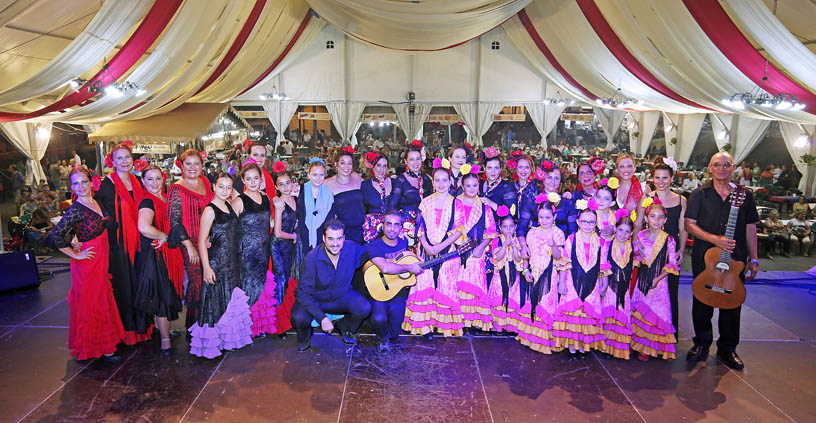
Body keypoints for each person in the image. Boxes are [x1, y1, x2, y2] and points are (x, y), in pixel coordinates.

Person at [685, 152, 759, 370]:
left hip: (735, 258)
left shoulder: (745, 196)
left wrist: (753, 258)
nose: (722, 168)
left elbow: (750, 227)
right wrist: (714, 239)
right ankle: (701, 344)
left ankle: (728, 349)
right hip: (704, 257)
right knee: (702, 301)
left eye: (726, 164)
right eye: (717, 164)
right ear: (710, 167)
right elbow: (689, 224)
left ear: (733, 167)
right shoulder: (699, 195)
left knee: (732, 303)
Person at [46, 167, 125, 361]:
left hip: (102, 257)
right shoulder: (75, 209)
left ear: (91, 183)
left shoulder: (96, 202)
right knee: (92, 302)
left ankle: (103, 345)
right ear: (71, 187)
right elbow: (53, 237)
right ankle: (99, 348)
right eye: (75, 183)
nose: (80, 187)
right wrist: (75, 254)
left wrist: (74, 238)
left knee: (101, 299)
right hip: (88, 262)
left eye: (83, 182)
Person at [95, 142, 153, 345]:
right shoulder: (106, 185)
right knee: (125, 287)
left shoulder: (138, 181)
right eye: (119, 158)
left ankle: (144, 327)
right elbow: (95, 211)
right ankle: (128, 331)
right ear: (112, 161)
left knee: (141, 284)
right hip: (119, 247)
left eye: (127, 157)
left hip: (141, 243)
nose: (124, 161)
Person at [189, 173, 253, 358]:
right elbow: (201, 241)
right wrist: (207, 268)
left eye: (228, 187)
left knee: (228, 301)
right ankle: (212, 344)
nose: (225, 191)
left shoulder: (228, 205)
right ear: (214, 187)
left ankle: (227, 340)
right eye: (221, 187)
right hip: (216, 262)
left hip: (231, 262)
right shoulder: (210, 210)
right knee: (214, 303)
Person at [291, 219, 372, 352]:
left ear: (344, 238)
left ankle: (344, 327)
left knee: (364, 307)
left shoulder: (351, 248)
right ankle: (305, 336)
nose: (335, 244)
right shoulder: (312, 258)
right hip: (316, 299)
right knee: (298, 317)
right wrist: (322, 318)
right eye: (331, 239)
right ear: (324, 238)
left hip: (340, 296)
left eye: (339, 239)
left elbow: (369, 253)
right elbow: (302, 293)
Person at [402, 166, 463, 337]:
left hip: (448, 250)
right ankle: (424, 326)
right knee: (425, 282)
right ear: (433, 183)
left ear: (450, 182)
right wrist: (427, 246)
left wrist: (441, 247)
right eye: (437, 180)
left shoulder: (456, 202)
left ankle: (444, 325)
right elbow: (419, 227)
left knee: (445, 283)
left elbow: (459, 230)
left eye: (445, 180)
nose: (441, 184)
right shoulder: (426, 201)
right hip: (426, 249)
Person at [635, 156, 687, 337]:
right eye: (657, 178)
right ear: (652, 179)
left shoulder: (681, 200)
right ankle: (643, 335)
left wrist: (681, 249)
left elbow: (682, 228)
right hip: (649, 251)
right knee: (646, 292)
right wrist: (637, 246)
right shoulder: (646, 198)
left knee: (670, 292)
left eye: (665, 177)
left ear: (672, 178)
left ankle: (666, 336)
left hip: (670, 252)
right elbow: (638, 224)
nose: (661, 181)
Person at [133, 165, 183, 354]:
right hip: (155, 254)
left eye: (158, 178)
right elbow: (143, 227)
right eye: (150, 179)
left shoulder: (164, 197)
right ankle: (165, 340)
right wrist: (163, 236)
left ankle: (165, 331)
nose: (154, 183)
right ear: (143, 182)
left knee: (164, 293)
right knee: (161, 296)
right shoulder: (147, 201)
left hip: (165, 252)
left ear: (164, 179)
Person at [167, 149, 215, 329]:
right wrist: (189, 246)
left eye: (196, 163)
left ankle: (210, 324)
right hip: (191, 243)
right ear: (181, 165)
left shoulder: (205, 182)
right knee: (197, 282)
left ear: (202, 166)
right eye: (188, 164)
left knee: (210, 281)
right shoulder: (175, 188)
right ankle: (195, 328)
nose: (192, 167)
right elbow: (174, 222)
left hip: (209, 241)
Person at [365, 211, 424, 351]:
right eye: (389, 224)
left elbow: (405, 259)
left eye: (396, 225)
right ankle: (381, 338)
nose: (392, 229)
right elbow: (384, 268)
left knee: (395, 332)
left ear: (401, 228)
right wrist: (410, 267)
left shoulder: (403, 242)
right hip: (379, 290)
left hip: (397, 291)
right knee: (379, 319)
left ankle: (386, 331)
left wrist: (416, 263)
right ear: (382, 226)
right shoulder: (375, 245)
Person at [552, 206, 606, 355]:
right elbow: (565, 262)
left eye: (591, 222)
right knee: (573, 311)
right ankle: (571, 341)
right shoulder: (571, 239)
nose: (588, 225)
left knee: (587, 311)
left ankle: (583, 341)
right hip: (572, 279)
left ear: (596, 223)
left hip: (592, 280)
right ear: (578, 222)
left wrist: (604, 282)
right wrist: (562, 283)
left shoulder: (601, 242)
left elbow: (603, 264)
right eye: (584, 222)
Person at [231, 162, 276, 337]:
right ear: (243, 180)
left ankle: (257, 328)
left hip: (263, 253)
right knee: (246, 291)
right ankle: (242, 329)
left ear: (261, 179)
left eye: (256, 178)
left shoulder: (265, 197)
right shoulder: (238, 201)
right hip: (245, 255)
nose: (253, 182)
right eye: (248, 179)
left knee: (260, 290)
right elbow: (229, 227)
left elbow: (269, 223)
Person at [631, 203, 679, 361]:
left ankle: (648, 348)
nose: (656, 220)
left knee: (653, 315)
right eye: (652, 216)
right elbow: (637, 256)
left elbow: (672, 264)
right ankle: (636, 344)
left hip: (658, 285)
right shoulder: (641, 236)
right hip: (642, 280)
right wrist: (637, 253)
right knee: (639, 313)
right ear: (646, 218)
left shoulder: (668, 240)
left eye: (660, 217)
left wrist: (657, 280)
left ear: (665, 220)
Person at [515, 201, 564, 354]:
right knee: (533, 303)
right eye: (541, 217)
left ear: (554, 217)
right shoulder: (532, 232)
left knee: (546, 304)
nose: (544, 220)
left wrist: (553, 245)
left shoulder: (558, 233)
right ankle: (532, 337)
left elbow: (559, 256)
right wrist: (525, 271)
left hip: (549, 275)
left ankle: (544, 340)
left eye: (548, 217)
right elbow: (525, 256)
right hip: (533, 273)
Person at [456, 168, 497, 331]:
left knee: (474, 283)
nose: (471, 189)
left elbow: (491, 230)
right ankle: (458, 317)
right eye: (468, 185)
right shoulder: (455, 203)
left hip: (476, 251)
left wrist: (481, 247)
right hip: (457, 250)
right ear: (462, 186)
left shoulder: (484, 206)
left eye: (475, 185)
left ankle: (474, 320)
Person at [599, 213, 636, 360]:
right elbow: (603, 266)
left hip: (624, 287)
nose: (623, 234)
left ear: (631, 233)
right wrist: (604, 284)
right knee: (607, 312)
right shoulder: (607, 244)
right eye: (620, 230)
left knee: (621, 313)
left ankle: (617, 346)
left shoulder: (632, 247)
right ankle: (604, 345)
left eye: (627, 231)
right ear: (615, 229)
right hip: (609, 286)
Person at [271, 169, 301, 335]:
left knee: (288, 280)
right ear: (277, 187)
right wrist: (293, 235)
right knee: (281, 281)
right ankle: (279, 324)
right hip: (278, 244)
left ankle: (287, 317)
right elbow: (277, 233)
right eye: (281, 184)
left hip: (289, 244)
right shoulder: (280, 204)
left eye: (287, 183)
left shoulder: (295, 199)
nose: (285, 187)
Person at [386, 140, 432, 249]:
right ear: (406, 161)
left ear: (422, 159)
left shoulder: (426, 179)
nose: (415, 162)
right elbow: (392, 206)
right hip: (406, 226)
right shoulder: (401, 179)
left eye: (418, 159)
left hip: (425, 224)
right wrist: (397, 227)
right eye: (411, 159)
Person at [325, 147, 365, 244]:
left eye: (349, 163)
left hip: (362, 229)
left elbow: (370, 191)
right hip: (342, 232)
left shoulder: (357, 177)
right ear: (336, 164)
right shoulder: (327, 184)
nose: (346, 167)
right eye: (342, 163)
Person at [296, 158, 335, 255]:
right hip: (304, 235)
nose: (318, 178)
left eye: (321, 175)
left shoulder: (329, 195)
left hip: (322, 236)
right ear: (308, 175)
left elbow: (330, 218)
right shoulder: (300, 191)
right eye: (315, 175)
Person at [360, 152, 392, 242]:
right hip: (373, 230)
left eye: (384, 166)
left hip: (392, 229)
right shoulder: (365, 185)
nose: (382, 169)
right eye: (378, 165)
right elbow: (362, 209)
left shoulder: (394, 182)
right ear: (372, 166)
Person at [539, 160, 576, 236]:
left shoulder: (567, 202)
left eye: (556, 178)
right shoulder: (535, 200)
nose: (553, 181)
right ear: (543, 179)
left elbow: (572, 231)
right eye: (549, 177)